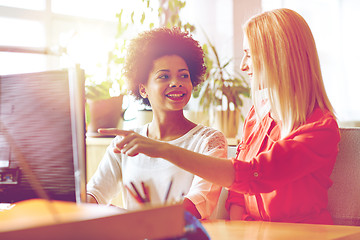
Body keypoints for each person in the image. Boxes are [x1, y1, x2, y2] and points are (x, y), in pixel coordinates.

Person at [99, 8, 341, 224]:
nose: (244, 65)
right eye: (164, 76)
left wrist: (162, 149)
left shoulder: (321, 129)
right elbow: (238, 195)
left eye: (249, 54)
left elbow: (254, 175)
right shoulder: (257, 117)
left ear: (277, 57)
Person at [87, 27, 227, 219]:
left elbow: (196, 206)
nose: (176, 82)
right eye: (164, 76)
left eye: (183, 75)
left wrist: (126, 217)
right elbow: (94, 194)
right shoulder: (126, 142)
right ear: (143, 89)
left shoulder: (209, 141)